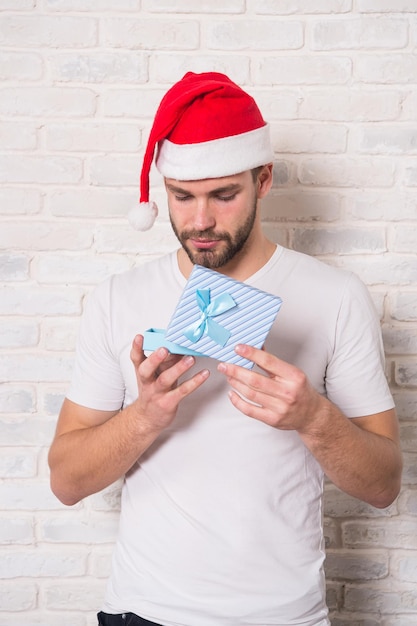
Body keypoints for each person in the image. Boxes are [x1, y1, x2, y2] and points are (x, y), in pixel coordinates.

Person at [48, 72, 402, 626]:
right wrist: (145, 417)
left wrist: (312, 418)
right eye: (182, 197)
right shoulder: (118, 298)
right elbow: (66, 482)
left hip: (284, 617)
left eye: (224, 195)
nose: (201, 220)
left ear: (263, 180)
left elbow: (383, 484)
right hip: (143, 612)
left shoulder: (336, 298)